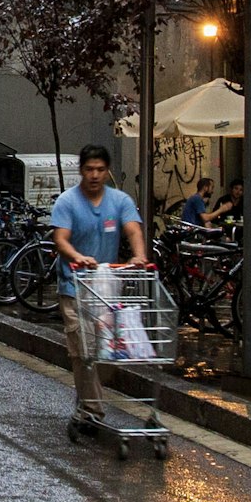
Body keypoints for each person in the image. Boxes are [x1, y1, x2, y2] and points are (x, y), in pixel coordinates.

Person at [51, 143, 151, 421]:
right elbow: (60, 239)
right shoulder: (67, 202)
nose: (94, 175)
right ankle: (93, 408)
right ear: (81, 171)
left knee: (107, 351)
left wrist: (139, 256)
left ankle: (87, 394)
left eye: (100, 170)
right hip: (74, 287)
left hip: (106, 290)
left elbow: (133, 230)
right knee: (83, 350)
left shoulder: (120, 201)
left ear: (107, 172)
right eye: (89, 169)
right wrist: (78, 257)